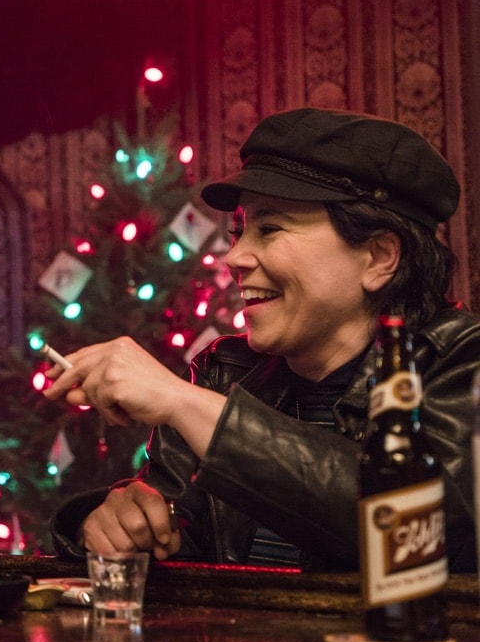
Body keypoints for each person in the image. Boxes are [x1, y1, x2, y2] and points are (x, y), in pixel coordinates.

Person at [44, 107, 480, 572]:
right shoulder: (225, 371)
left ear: (378, 257)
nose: (235, 255)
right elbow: (174, 540)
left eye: (270, 229)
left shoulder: (458, 361)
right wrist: (119, 525)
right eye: (238, 231)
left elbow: (413, 524)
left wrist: (183, 402)